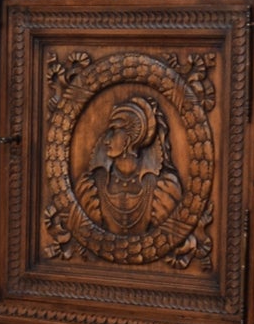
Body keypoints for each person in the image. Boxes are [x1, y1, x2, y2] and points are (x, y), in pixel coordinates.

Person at [75, 95, 183, 236]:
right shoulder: (92, 186)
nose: (106, 140)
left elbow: (173, 235)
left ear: (129, 139)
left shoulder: (162, 188)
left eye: (113, 131)